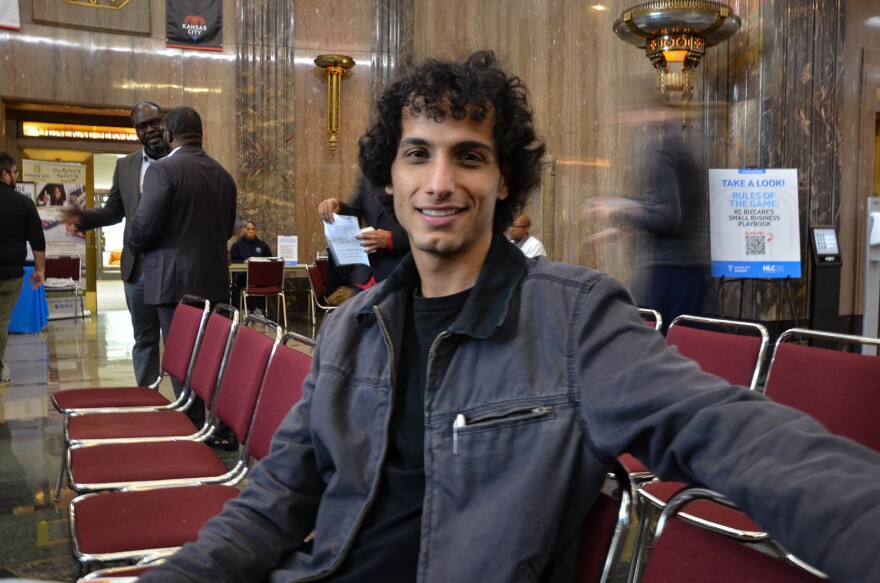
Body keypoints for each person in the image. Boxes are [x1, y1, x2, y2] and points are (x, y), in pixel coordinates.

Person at [140, 52, 880, 583]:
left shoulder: (573, 318)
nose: (439, 181)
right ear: (389, 182)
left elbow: (730, 431)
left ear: (502, 181)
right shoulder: (352, 329)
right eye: (417, 155)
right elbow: (271, 507)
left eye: (468, 157)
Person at [128, 105, 237, 438]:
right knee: (212, 358)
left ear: (168, 134)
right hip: (215, 280)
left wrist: (136, 241)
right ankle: (222, 427)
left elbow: (142, 230)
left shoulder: (163, 171)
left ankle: (193, 429)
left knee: (183, 361)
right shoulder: (223, 175)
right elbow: (227, 228)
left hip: (174, 285)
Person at [60, 101, 169, 387]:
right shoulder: (126, 165)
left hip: (175, 267)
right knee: (144, 339)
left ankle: (188, 410)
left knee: (180, 342)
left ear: (165, 122)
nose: (150, 130)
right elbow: (114, 211)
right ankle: (149, 400)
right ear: (136, 132)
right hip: (138, 269)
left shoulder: (181, 159)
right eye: (142, 126)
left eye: (154, 122)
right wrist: (83, 218)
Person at [587, 95, 709, 330]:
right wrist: (620, 219)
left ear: (649, 112)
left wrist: (615, 214)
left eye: (627, 114)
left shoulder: (664, 150)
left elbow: (667, 219)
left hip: (673, 271)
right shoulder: (679, 145)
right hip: (686, 268)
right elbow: (661, 205)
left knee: (660, 348)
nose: (622, 122)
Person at [0, 152, 46, 387]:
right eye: (15, 172)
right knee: (1, 321)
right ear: (5, 174)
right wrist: (39, 270)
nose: (16, 177)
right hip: (9, 275)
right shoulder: (22, 202)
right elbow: (37, 240)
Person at [318, 174, 409, 282]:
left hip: (403, 274)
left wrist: (391, 239)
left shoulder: (413, 171)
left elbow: (429, 230)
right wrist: (339, 208)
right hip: (366, 275)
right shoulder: (367, 174)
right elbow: (356, 210)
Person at [230, 220, 273, 311]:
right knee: (238, 280)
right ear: (244, 230)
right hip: (243, 277)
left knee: (262, 280)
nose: (251, 231)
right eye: (248, 229)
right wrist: (243, 262)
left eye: (253, 229)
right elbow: (232, 261)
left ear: (255, 230)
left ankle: (259, 310)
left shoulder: (263, 246)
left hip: (259, 278)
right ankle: (245, 310)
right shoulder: (237, 246)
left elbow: (270, 261)